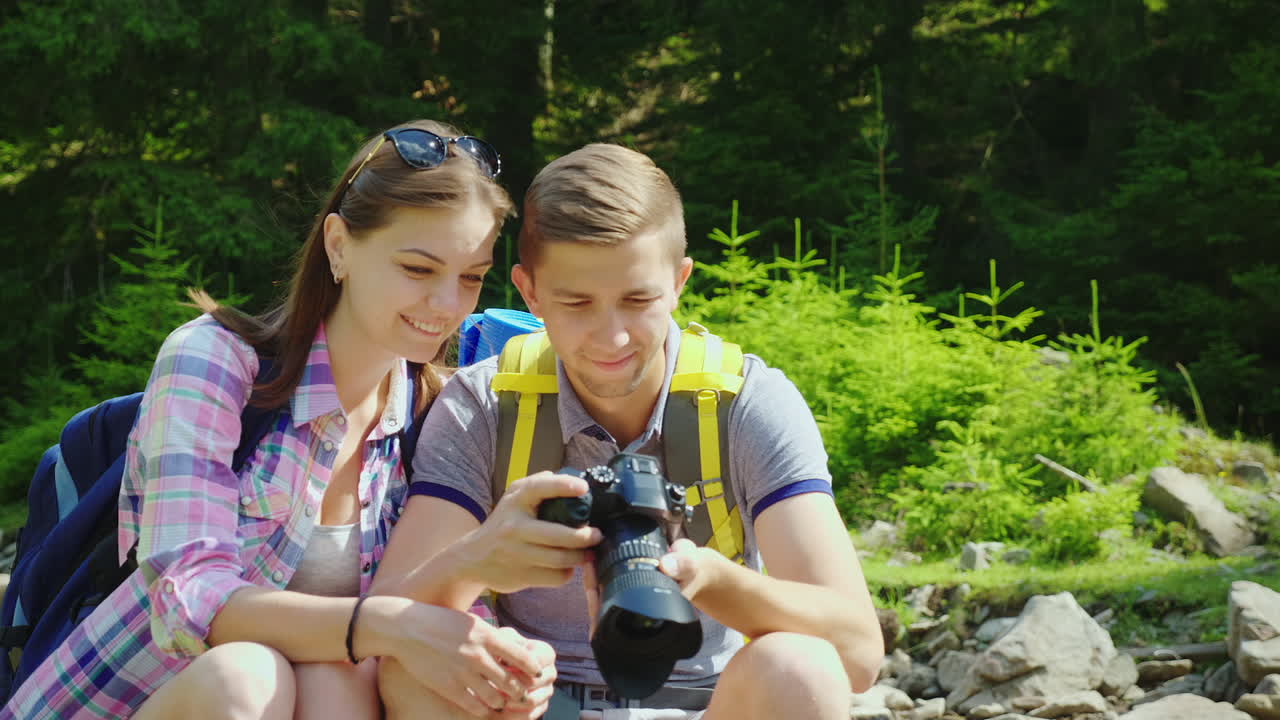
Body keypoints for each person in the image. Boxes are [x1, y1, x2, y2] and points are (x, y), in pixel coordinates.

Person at [2, 119, 557, 720]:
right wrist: (385, 624)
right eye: (418, 269)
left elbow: (425, 604)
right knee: (248, 673)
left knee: (335, 678)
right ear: (339, 245)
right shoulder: (216, 362)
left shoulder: (431, 411)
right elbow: (186, 596)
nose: (448, 305)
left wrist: (499, 654)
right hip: (131, 698)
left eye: (470, 277)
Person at [374, 143, 884, 720]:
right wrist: (476, 560)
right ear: (530, 292)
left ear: (679, 282)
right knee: (411, 672)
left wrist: (711, 578)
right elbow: (380, 622)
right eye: (577, 302)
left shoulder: (744, 405)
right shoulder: (488, 406)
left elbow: (859, 652)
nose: (610, 337)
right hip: (531, 703)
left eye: (638, 300)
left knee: (801, 668)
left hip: (709, 702)